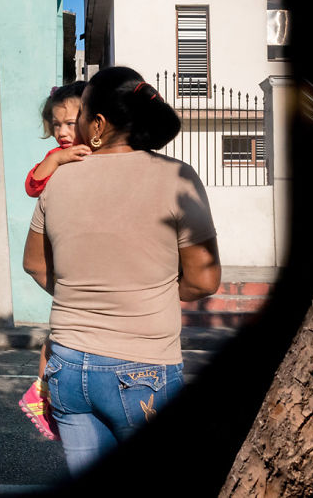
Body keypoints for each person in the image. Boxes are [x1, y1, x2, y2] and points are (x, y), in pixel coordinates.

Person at [22, 66, 221, 475]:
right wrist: (147, 291)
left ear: (97, 124)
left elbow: (33, 264)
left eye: (78, 117)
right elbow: (204, 279)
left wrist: (83, 295)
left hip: (67, 366)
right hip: (144, 368)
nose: (70, 127)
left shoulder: (58, 181)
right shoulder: (176, 177)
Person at [19, 81, 90, 441]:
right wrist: (56, 158)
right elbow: (33, 185)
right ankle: (44, 394)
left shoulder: (101, 153)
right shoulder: (56, 158)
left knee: (62, 334)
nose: (62, 132)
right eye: (56, 124)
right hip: (59, 249)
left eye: (70, 123)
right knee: (54, 337)